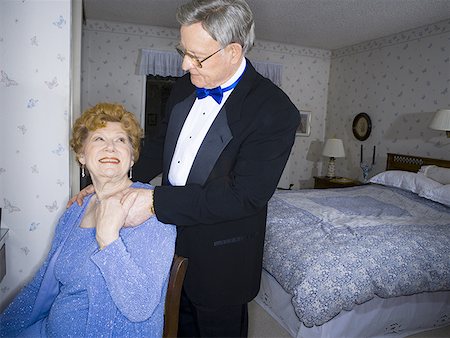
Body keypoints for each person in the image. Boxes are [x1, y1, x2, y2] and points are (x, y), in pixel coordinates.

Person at [69, 0, 300, 336]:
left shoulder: (275, 109)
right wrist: (114, 181)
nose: (183, 64)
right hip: (169, 241)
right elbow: (160, 144)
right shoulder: (185, 85)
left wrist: (153, 202)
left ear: (233, 52)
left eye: (196, 56)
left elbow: (243, 196)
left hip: (222, 259)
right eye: (183, 51)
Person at [0, 103, 176, 337]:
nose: (111, 147)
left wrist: (109, 240)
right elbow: (41, 284)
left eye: (121, 140)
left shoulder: (152, 212)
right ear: (82, 155)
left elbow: (140, 306)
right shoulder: (75, 210)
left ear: (132, 157)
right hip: (50, 328)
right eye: (99, 139)